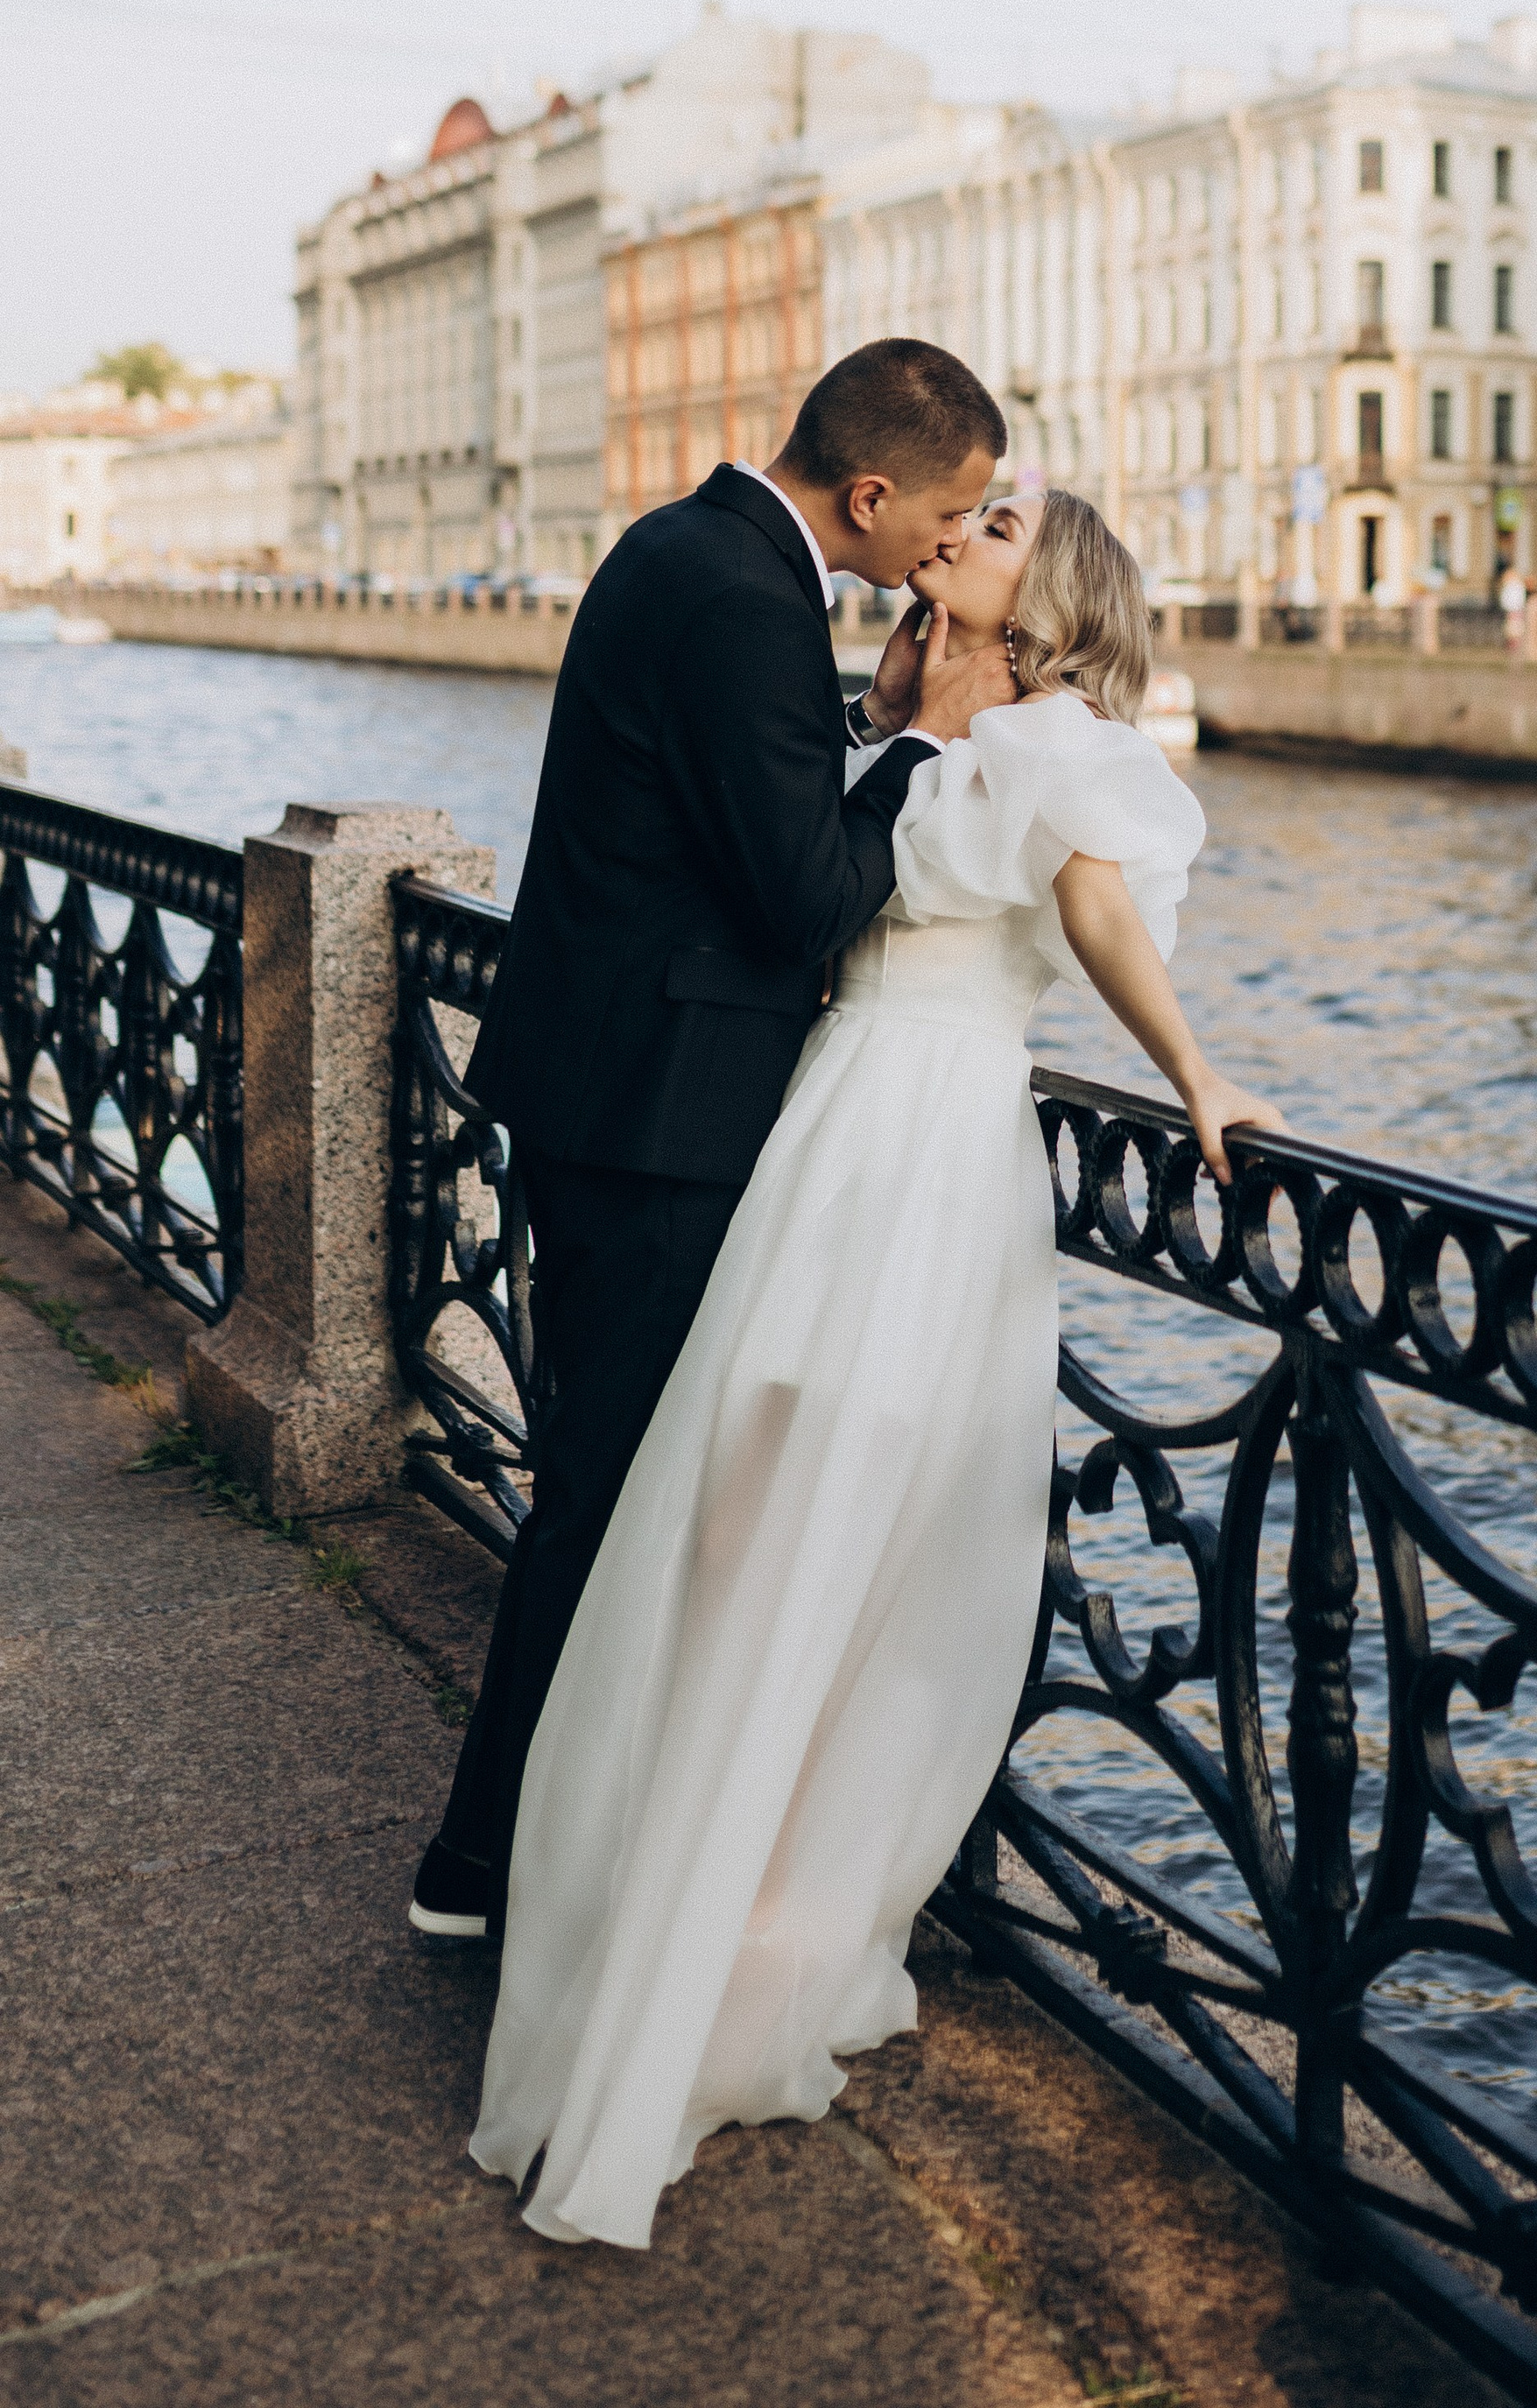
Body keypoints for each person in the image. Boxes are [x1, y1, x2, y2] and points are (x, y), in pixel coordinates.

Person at [469, 486, 1278, 2248]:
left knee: (823, 1530)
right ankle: (703, 1924)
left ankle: (735, 1925)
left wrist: (1198, 1076)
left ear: (1040, 596)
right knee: (760, 1525)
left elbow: (1099, 922)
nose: (961, 531)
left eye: (998, 528)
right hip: (841, 1138)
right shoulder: (910, 737)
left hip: (905, 1147)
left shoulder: (1053, 742)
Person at [408, 338, 1019, 1947]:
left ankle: (532, 1848)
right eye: (946, 514)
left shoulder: (686, 545)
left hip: (602, 1086)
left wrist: (861, 718)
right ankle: (483, 1869)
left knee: (612, 1487)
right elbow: (806, 893)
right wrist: (936, 740)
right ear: (871, 492)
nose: (944, 548)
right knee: (608, 1501)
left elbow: (720, 786)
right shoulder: (755, 597)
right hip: (663, 1118)